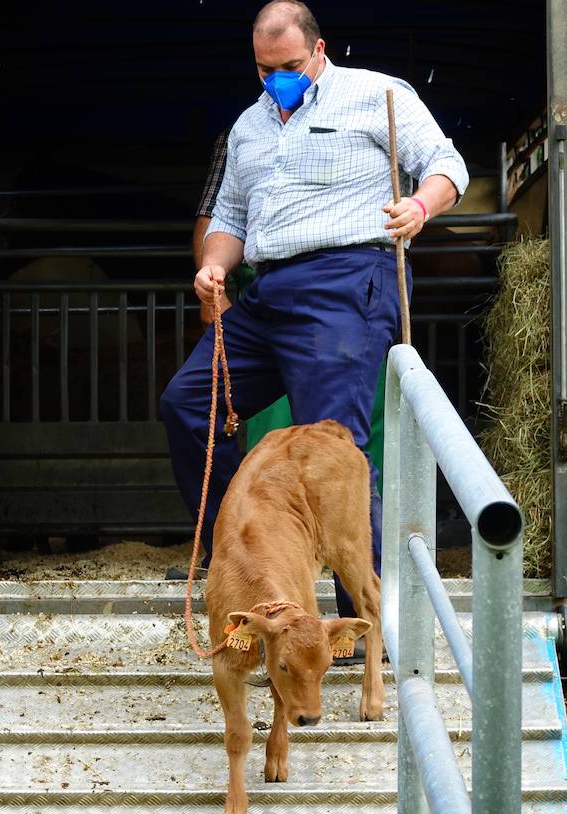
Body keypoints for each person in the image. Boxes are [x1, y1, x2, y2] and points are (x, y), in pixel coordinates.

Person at [160, 0, 468, 621]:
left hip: (346, 282)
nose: (278, 79)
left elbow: (446, 164)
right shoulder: (249, 126)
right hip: (265, 291)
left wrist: (421, 208)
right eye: (265, 68)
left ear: (319, 51)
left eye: (291, 65)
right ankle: (246, 550)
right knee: (189, 404)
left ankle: (362, 618)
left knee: (334, 451)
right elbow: (230, 219)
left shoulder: (378, 93)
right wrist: (215, 264)